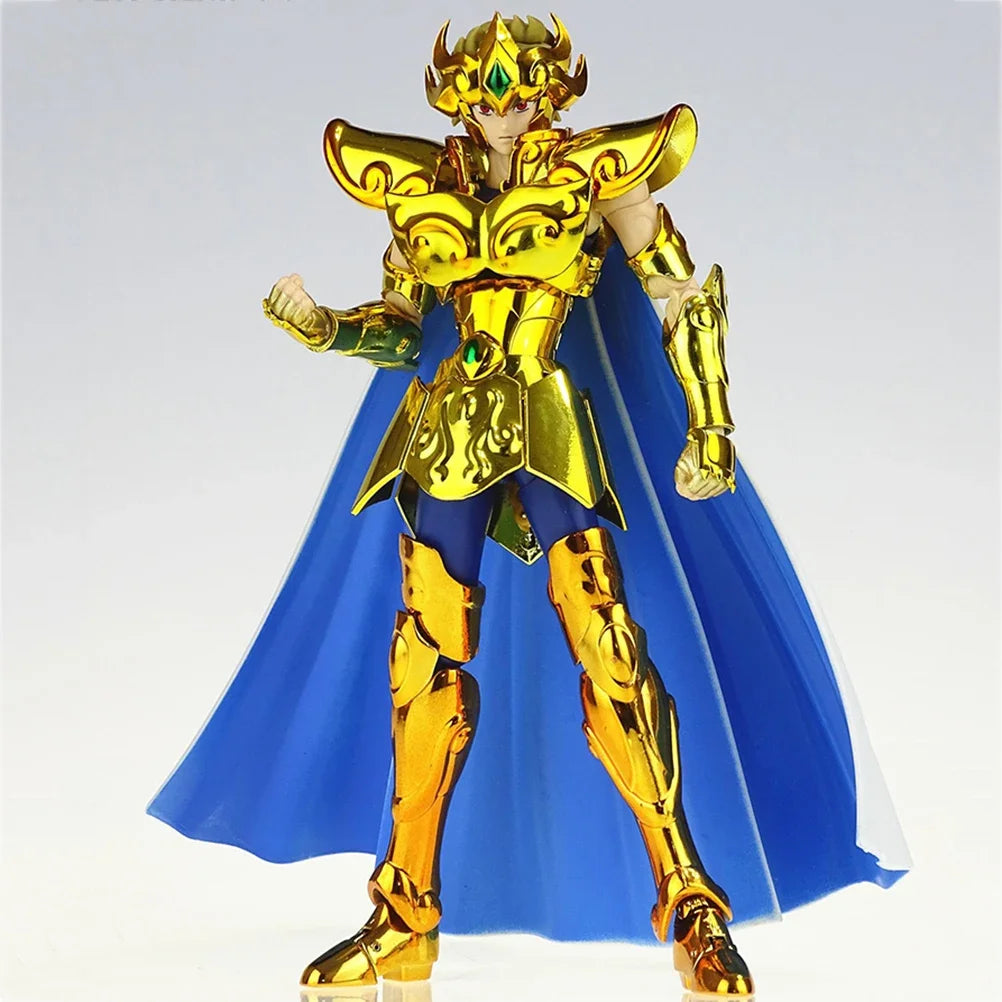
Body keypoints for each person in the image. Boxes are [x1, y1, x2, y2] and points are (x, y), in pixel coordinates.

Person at [149, 13, 908, 997]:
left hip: (548, 420)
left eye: (523, 91)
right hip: (451, 427)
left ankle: (689, 901)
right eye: (485, 94)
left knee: (607, 640)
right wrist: (322, 327)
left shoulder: (598, 173)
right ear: (455, 98)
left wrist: (710, 423)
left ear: (555, 90)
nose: (505, 108)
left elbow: (681, 296)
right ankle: (404, 911)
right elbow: (401, 330)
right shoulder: (421, 186)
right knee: (422, 653)